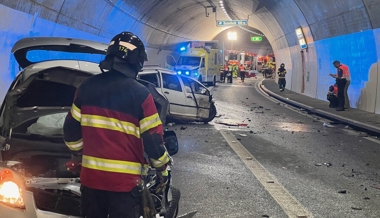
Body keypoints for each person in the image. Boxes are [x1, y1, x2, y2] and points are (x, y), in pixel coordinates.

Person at [63, 31, 170, 218]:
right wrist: (162, 167)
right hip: (124, 186)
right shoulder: (141, 94)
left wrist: (78, 154)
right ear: (136, 61)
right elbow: (153, 139)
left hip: (91, 182)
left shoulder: (86, 88)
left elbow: (71, 131)